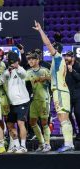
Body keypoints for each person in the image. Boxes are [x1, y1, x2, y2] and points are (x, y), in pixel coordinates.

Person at [33, 21, 74, 152]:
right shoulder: (58, 62)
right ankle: (69, 143)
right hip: (60, 90)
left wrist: (40, 30)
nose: (50, 49)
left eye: (53, 48)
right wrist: (44, 78)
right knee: (64, 117)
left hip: (60, 91)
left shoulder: (57, 57)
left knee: (63, 117)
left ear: (56, 49)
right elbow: (55, 77)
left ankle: (69, 144)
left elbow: (47, 43)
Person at [0, 51, 30, 153]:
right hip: (12, 103)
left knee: (21, 123)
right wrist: (4, 73)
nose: (12, 64)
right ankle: (16, 145)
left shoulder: (20, 70)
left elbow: (24, 75)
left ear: (17, 61)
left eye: (14, 62)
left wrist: (17, 67)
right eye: (10, 62)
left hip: (22, 101)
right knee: (9, 124)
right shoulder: (7, 72)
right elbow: (0, 81)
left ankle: (23, 146)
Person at [25, 52, 52, 152]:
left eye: (32, 59)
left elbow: (53, 79)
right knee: (32, 123)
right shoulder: (27, 72)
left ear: (38, 60)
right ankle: (41, 143)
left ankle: (48, 144)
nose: (30, 61)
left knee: (44, 123)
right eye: (29, 59)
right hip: (33, 101)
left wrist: (45, 78)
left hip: (43, 99)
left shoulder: (44, 70)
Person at [64, 51, 80, 140]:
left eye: (68, 56)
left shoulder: (78, 66)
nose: (66, 58)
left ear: (73, 58)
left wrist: (72, 71)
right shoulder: (63, 67)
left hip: (78, 95)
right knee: (67, 114)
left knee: (78, 113)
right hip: (67, 95)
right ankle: (73, 131)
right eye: (65, 56)